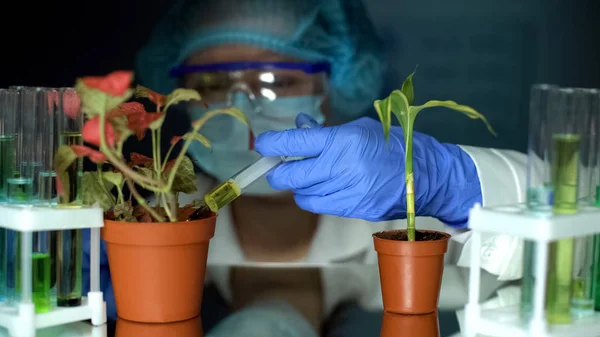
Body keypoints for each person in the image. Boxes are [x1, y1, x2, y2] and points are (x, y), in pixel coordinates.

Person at [83, 0, 528, 336]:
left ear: (338, 84)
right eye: (213, 83)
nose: (242, 106)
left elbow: (575, 249)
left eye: (276, 80)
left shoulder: (416, 218)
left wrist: (449, 182)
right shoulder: (153, 218)